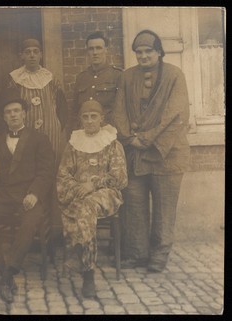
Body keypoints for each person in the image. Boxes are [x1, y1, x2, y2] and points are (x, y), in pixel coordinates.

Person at [113, 30, 191, 273]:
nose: (143, 56)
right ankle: (137, 253)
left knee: (164, 208)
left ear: (159, 52)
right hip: (135, 153)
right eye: (139, 52)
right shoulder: (126, 77)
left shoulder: (175, 76)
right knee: (134, 205)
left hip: (166, 153)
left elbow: (176, 116)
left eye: (148, 51)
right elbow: (118, 112)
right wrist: (129, 138)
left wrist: (145, 138)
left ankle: (159, 254)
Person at [0, 89, 55, 303]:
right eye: (8, 112)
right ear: (3, 117)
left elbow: (46, 172)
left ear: (24, 114)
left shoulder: (39, 139)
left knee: (29, 224)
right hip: (4, 194)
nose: (13, 115)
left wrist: (35, 193)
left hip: (29, 194)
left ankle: (9, 272)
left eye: (16, 111)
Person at [57, 100, 127, 298]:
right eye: (85, 117)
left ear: (101, 118)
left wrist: (93, 185)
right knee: (80, 206)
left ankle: (86, 271)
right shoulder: (73, 145)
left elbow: (120, 178)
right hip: (79, 193)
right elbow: (63, 175)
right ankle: (84, 260)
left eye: (93, 116)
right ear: (80, 120)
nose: (89, 121)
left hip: (106, 194)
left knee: (85, 206)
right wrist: (77, 187)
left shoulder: (112, 144)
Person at [7, 38, 67, 157]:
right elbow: (11, 106)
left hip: (50, 130)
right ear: (22, 56)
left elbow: (62, 107)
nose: (32, 55)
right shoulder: (15, 79)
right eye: (28, 52)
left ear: (41, 55)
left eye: (35, 52)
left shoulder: (51, 79)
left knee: (50, 158)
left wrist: (57, 126)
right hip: (26, 129)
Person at [72, 31, 123, 135]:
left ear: (106, 50)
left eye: (99, 48)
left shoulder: (117, 75)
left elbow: (122, 111)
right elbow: (75, 110)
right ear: (87, 52)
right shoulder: (81, 78)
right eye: (91, 49)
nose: (95, 52)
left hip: (109, 133)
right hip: (85, 133)